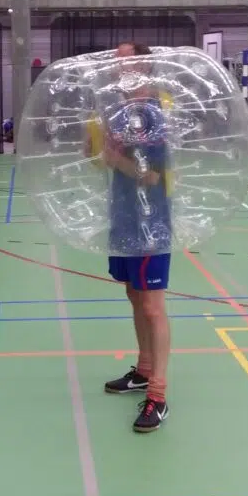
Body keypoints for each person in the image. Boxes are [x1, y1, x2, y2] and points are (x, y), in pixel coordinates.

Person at [89, 42, 173, 432]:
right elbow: (98, 160)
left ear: (145, 65)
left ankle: (158, 394)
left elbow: (152, 176)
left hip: (151, 220)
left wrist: (114, 159)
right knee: (134, 295)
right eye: (117, 62)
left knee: (153, 305)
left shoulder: (155, 113)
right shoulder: (118, 112)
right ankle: (143, 369)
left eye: (127, 61)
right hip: (123, 215)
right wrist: (93, 139)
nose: (119, 67)